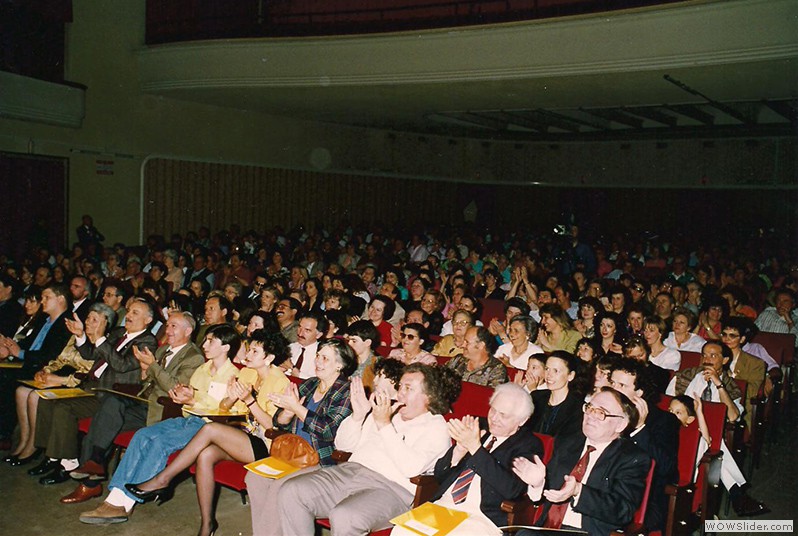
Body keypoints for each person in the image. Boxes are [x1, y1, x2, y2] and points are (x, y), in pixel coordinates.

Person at [124, 330, 292, 536]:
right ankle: (207, 524)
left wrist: (249, 401)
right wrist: (231, 398)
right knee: (205, 455)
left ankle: (163, 479)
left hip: (266, 445)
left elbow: (273, 429)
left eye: (255, 351)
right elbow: (224, 407)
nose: (247, 355)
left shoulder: (280, 382)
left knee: (210, 428)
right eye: (248, 349)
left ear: (269, 358)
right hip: (241, 435)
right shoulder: (247, 373)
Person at [77, 324, 242, 525]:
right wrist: (182, 396)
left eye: (211, 341)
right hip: (188, 418)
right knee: (142, 435)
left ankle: (126, 504)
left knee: (160, 443)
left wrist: (193, 400)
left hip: (208, 428)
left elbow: (221, 411)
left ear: (225, 347)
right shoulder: (202, 369)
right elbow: (192, 396)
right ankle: (113, 498)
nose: (205, 344)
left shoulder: (232, 375)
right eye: (206, 339)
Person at [278, 363, 454, 536]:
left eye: (409, 389)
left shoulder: (437, 427)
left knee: (345, 516)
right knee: (291, 491)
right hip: (350, 472)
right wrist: (358, 415)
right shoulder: (384, 411)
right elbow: (343, 446)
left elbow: (411, 468)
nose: (400, 393)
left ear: (429, 396)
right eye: (400, 387)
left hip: (390, 490)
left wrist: (384, 424)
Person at [394, 383, 543, 535]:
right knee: (401, 531)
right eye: (493, 410)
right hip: (444, 506)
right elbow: (439, 474)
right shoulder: (478, 425)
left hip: (481, 517)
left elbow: (512, 490)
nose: (494, 418)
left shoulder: (528, 445)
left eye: (503, 415)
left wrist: (475, 448)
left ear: (522, 420)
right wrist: (459, 450)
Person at [245, 338, 357, 536]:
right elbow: (278, 422)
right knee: (254, 477)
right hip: (292, 454)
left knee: (280, 486)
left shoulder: (345, 391)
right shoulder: (311, 384)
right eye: (317, 356)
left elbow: (327, 430)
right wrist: (287, 412)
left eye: (325, 358)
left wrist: (297, 407)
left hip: (321, 459)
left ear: (340, 365)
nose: (318, 362)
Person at [512, 388, 650, 536]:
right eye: (589, 408)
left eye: (600, 412)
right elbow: (549, 493)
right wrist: (538, 484)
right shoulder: (567, 442)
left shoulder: (631, 458)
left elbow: (623, 511)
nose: (590, 416)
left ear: (620, 425)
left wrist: (579, 491)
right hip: (548, 529)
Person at [667, 395, 769, 517]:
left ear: (689, 420)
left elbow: (706, 440)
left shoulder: (689, 434)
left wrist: (699, 412)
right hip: (670, 473)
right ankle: (736, 492)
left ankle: (736, 493)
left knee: (711, 443)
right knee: (716, 444)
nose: (671, 415)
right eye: (670, 411)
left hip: (680, 476)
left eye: (677, 413)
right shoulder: (664, 428)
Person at [609, 358, 679, 531]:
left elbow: (666, 468)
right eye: (612, 383)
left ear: (639, 392)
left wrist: (639, 429)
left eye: (622, 386)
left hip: (644, 497)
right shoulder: (601, 412)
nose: (613, 390)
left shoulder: (663, 420)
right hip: (604, 489)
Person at [719, 317, 766, 430]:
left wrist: (731, 378)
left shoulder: (755, 363)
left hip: (740, 410)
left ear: (742, 339)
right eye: (724, 334)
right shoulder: (714, 357)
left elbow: (751, 393)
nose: (727, 339)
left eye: (732, 335)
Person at [527, 351, 585, 439]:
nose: (549, 375)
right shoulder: (536, 397)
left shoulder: (578, 409)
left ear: (570, 375)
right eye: (547, 369)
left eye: (556, 371)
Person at [286, 311, 327, 379]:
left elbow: (317, 381)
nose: (300, 333)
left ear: (318, 335)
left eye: (307, 330)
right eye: (299, 327)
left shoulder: (322, 355)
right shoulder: (290, 348)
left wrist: (293, 369)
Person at [345, 319, 380, 390]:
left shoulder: (378, 365)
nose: (349, 344)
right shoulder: (346, 360)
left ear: (367, 342)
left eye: (354, 341)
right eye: (349, 340)